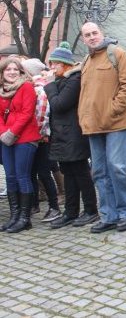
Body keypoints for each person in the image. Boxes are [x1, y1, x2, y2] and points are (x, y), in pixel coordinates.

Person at [78, 22, 126, 233]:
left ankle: (125, 212)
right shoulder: (86, 61)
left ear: (101, 33)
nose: (92, 37)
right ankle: (109, 215)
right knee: (99, 172)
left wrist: (113, 109)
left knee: (117, 168)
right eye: (87, 35)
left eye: (94, 33)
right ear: (83, 39)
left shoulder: (117, 54)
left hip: (116, 123)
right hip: (94, 126)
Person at [44, 43, 99, 229]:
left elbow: (59, 104)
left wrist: (49, 85)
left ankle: (91, 210)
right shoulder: (63, 80)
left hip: (74, 134)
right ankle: (70, 211)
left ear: (65, 64)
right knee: (68, 173)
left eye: (55, 64)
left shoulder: (74, 79)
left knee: (81, 173)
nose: (52, 68)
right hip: (63, 134)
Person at [0, 58, 40, 233]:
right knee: (10, 177)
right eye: (8, 69)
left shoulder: (27, 87)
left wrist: (12, 133)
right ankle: (14, 216)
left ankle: (25, 218)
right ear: (3, 73)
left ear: (21, 72)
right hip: (5, 139)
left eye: (15, 69)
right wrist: (3, 133)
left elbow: (27, 113)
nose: (11, 72)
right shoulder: (1, 91)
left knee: (22, 176)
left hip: (25, 138)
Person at [21, 58, 61, 222]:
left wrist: (38, 135)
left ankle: (54, 207)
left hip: (41, 138)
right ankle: (34, 204)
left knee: (43, 172)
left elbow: (41, 116)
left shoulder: (39, 89)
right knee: (31, 172)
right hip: (36, 137)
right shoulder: (34, 87)